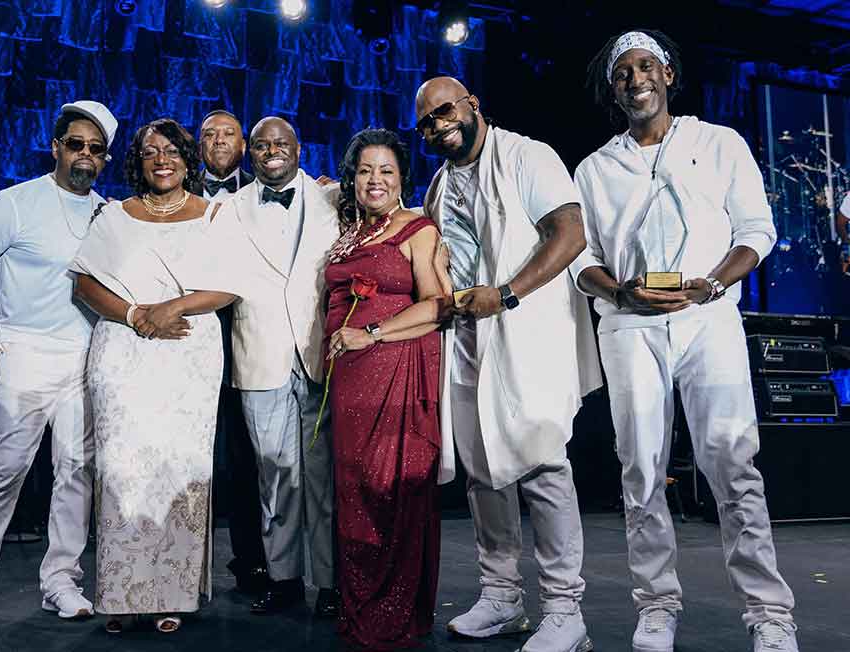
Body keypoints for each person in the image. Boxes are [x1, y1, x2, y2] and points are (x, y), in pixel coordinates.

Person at [574, 30, 798, 652]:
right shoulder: (595, 167)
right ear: (614, 88)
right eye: (623, 72)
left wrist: (712, 284)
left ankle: (769, 614)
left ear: (669, 74)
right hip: (629, 322)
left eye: (647, 66)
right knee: (640, 467)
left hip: (708, 316)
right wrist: (620, 292)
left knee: (732, 462)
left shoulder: (718, 143)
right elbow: (580, 259)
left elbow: (757, 230)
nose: (635, 78)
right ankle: (656, 606)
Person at [415, 76, 602, 652]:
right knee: (482, 469)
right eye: (425, 122)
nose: (437, 125)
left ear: (474, 103)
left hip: (528, 332)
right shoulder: (440, 185)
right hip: (469, 340)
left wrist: (509, 292)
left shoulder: (527, 155)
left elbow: (570, 233)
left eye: (444, 110)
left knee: (544, 465)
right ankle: (502, 597)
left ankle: (565, 611)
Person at [0, 100, 117, 629]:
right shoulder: (16, 203)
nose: (85, 156)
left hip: (87, 356)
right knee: (5, 469)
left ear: (104, 159)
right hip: (26, 352)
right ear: (57, 147)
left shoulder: (108, 214)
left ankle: (61, 580)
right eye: (76, 145)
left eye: (96, 149)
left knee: (76, 473)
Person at [71, 118, 239, 633]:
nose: (161, 160)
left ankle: (172, 594)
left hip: (188, 354)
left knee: (178, 470)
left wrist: (171, 308)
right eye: (149, 153)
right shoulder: (113, 216)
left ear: (188, 158)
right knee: (123, 472)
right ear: (137, 162)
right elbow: (85, 284)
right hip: (123, 351)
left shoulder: (216, 216)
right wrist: (136, 316)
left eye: (171, 151)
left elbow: (232, 285)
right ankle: (121, 595)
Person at [324, 128, 451, 649]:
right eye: (364, 171)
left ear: (402, 179)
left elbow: (440, 306)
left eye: (386, 171)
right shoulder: (347, 234)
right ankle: (359, 609)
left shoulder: (417, 228)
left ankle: (393, 614)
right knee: (352, 492)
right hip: (349, 384)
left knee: (389, 492)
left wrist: (370, 333)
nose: (374, 180)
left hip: (396, 376)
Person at [212, 116, 339, 616]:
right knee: (275, 477)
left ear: (299, 147)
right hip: (258, 358)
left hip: (318, 356)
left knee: (322, 479)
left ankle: (330, 586)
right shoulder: (226, 208)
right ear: (250, 153)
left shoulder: (334, 199)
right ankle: (284, 580)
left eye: (280, 143)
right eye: (262, 145)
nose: (271, 151)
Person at [198, 108, 268, 595]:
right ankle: (186, 569)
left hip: (248, 340)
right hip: (186, 341)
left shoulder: (265, 193)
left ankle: (253, 563)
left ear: (243, 145)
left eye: (229, 134)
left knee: (245, 461)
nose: (219, 140)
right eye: (210, 134)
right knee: (191, 459)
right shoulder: (171, 191)